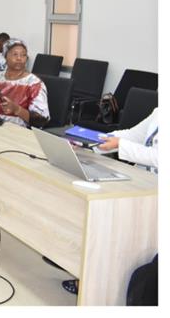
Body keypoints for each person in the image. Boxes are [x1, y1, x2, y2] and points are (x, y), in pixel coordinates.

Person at [59, 107, 159, 295]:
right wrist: (90, 141)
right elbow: (132, 135)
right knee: (100, 214)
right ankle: (86, 271)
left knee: (113, 226)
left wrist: (120, 144)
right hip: (142, 181)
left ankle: (96, 284)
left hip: (156, 193)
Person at [0, 38, 49, 128]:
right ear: (5, 57)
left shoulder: (34, 83)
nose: (19, 58)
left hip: (19, 131)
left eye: (23, 55)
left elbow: (41, 120)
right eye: (15, 54)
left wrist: (17, 109)